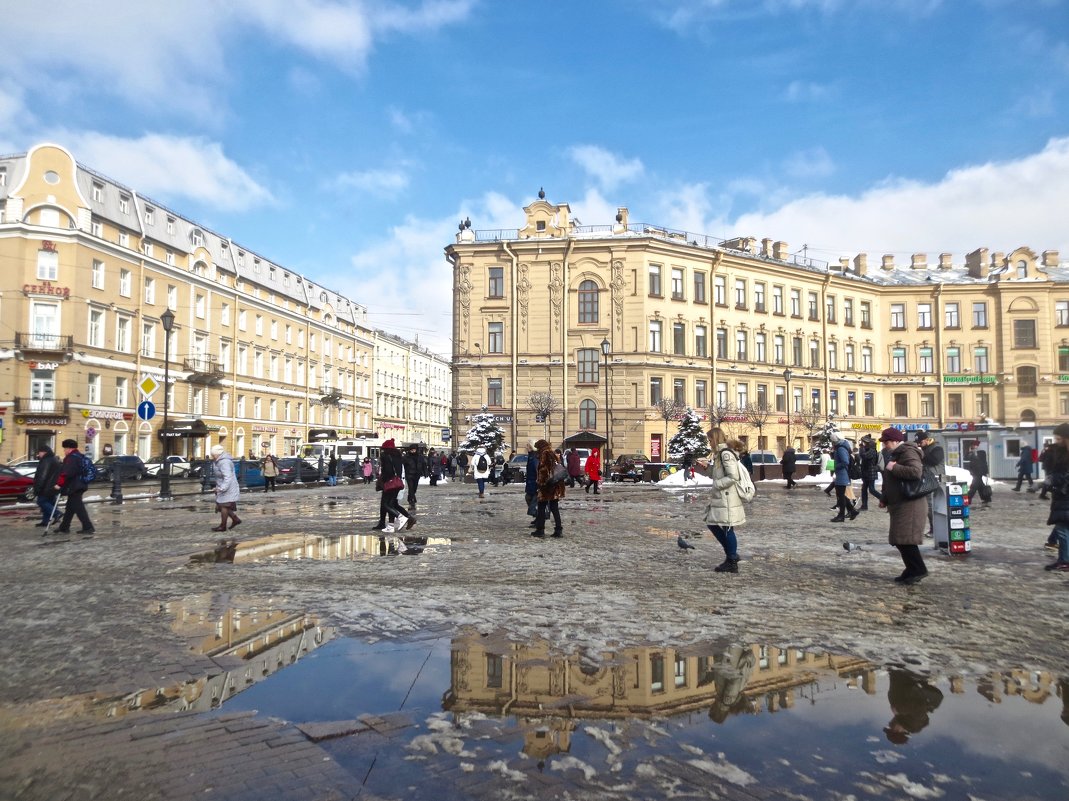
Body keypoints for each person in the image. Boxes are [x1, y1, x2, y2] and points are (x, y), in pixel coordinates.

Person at [878, 427, 928, 584]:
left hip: (911, 504)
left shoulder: (908, 452)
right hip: (902, 503)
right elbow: (892, 481)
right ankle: (912, 569)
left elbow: (915, 472)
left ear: (894, 441)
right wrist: (885, 497)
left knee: (905, 539)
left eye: (886, 442)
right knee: (900, 539)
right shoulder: (897, 453)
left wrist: (894, 467)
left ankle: (918, 569)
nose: (885, 445)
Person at [694, 428, 747, 573]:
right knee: (713, 524)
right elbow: (718, 474)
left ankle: (731, 560)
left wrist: (717, 485)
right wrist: (707, 468)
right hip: (721, 498)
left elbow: (733, 476)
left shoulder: (725, 455)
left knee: (727, 528)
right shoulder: (719, 455)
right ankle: (732, 556)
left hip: (727, 498)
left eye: (710, 439)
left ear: (716, 439)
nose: (709, 442)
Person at [883, 669, 944, 745]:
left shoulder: (903, 719)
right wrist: (899, 710)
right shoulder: (914, 723)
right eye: (890, 727)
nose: (889, 724)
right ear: (897, 730)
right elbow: (919, 707)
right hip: (912, 674)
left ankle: (897, 671)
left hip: (907, 675)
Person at [1042, 422, 1069, 572]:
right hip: (1062, 496)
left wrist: (1052, 480)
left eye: (1059, 438)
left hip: (1065, 497)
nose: (1056, 441)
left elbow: (1064, 476)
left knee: (1062, 529)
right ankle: (1063, 559)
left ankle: (1065, 560)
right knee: (1063, 528)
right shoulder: (1061, 452)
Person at [54, 439, 94, 535]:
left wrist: (59, 484)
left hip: (75, 485)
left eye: (65, 449)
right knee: (70, 507)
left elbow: (66, 473)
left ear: (69, 448)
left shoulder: (71, 458)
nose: (64, 451)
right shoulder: (79, 456)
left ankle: (88, 527)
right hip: (79, 484)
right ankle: (64, 527)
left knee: (78, 507)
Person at [376, 439, 413, 532]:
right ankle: (391, 525)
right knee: (392, 503)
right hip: (397, 482)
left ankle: (401, 517)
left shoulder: (386, 456)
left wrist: (384, 480)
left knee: (386, 504)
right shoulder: (398, 456)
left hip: (390, 482)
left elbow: (387, 471)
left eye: (383, 449)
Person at [533, 439, 565, 537]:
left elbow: (543, 470)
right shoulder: (552, 453)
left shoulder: (544, 454)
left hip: (547, 486)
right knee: (554, 508)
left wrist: (540, 483)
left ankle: (540, 530)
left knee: (541, 507)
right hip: (555, 484)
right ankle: (558, 530)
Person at [915, 432, 945, 538]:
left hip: (936, 479)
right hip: (928, 478)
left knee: (932, 505)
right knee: (929, 505)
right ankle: (934, 528)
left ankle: (936, 529)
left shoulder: (937, 448)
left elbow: (934, 460)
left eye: (921, 442)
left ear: (927, 439)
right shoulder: (924, 449)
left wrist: (921, 454)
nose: (919, 444)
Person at [210, 444, 241, 532]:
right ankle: (235, 519)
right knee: (221, 505)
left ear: (218, 454)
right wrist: (218, 487)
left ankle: (223, 526)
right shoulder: (219, 461)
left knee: (223, 506)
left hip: (228, 487)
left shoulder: (224, 462)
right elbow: (220, 477)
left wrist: (221, 488)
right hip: (223, 486)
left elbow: (227, 477)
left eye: (213, 455)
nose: (212, 456)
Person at [32, 445, 63, 528]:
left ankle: (57, 513)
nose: (39, 454)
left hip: (46, 487)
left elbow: (42, 476)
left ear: (44, 452)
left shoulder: (46, 460)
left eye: (39, 452)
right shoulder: (54, 459)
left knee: (41, 502)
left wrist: (38, 488)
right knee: (48, 503)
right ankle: (45, 521)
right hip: (52, 486)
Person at [830, 433, 858, 523]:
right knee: (842, 495)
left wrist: (836, 466)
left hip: (842, 474)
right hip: (841, 474)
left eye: (833, 441)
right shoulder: (841, 447)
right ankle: (852, 511)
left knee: (841, 496)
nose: (832, 443)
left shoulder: (841, 448)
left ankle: (841, 516)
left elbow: (845, 461)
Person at [858, 436, 883, 510]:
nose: (863, 444)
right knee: (864, 489)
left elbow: (864, 456)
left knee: (872, 489)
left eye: (864, 442)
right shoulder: (868, 449)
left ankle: (884, 500)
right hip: (867, 472)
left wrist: (861, 448)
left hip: (870, 472)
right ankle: (864, 506)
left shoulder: (872, 450)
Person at [402, 443, 423, 510]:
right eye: (412, 450)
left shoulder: (419, 456)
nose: (413, 451)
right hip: (409, 474)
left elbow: (423, 464)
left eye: (414, 450)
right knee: (411, 488)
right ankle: (412, 501)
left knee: (414, 488)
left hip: (417, 474)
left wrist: (424, 472)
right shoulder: (406, 457)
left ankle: (410, 498)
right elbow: (403, 465)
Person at [524, 440, 539, 523]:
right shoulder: (531, 456)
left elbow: (537, 471)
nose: (526, 447)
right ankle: (537, 517)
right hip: (531, 482)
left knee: (532, 500)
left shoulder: (534, 457)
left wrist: (538, 484)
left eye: (527, 445)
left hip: (534, 483)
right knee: (529, 498)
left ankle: (538, 518)